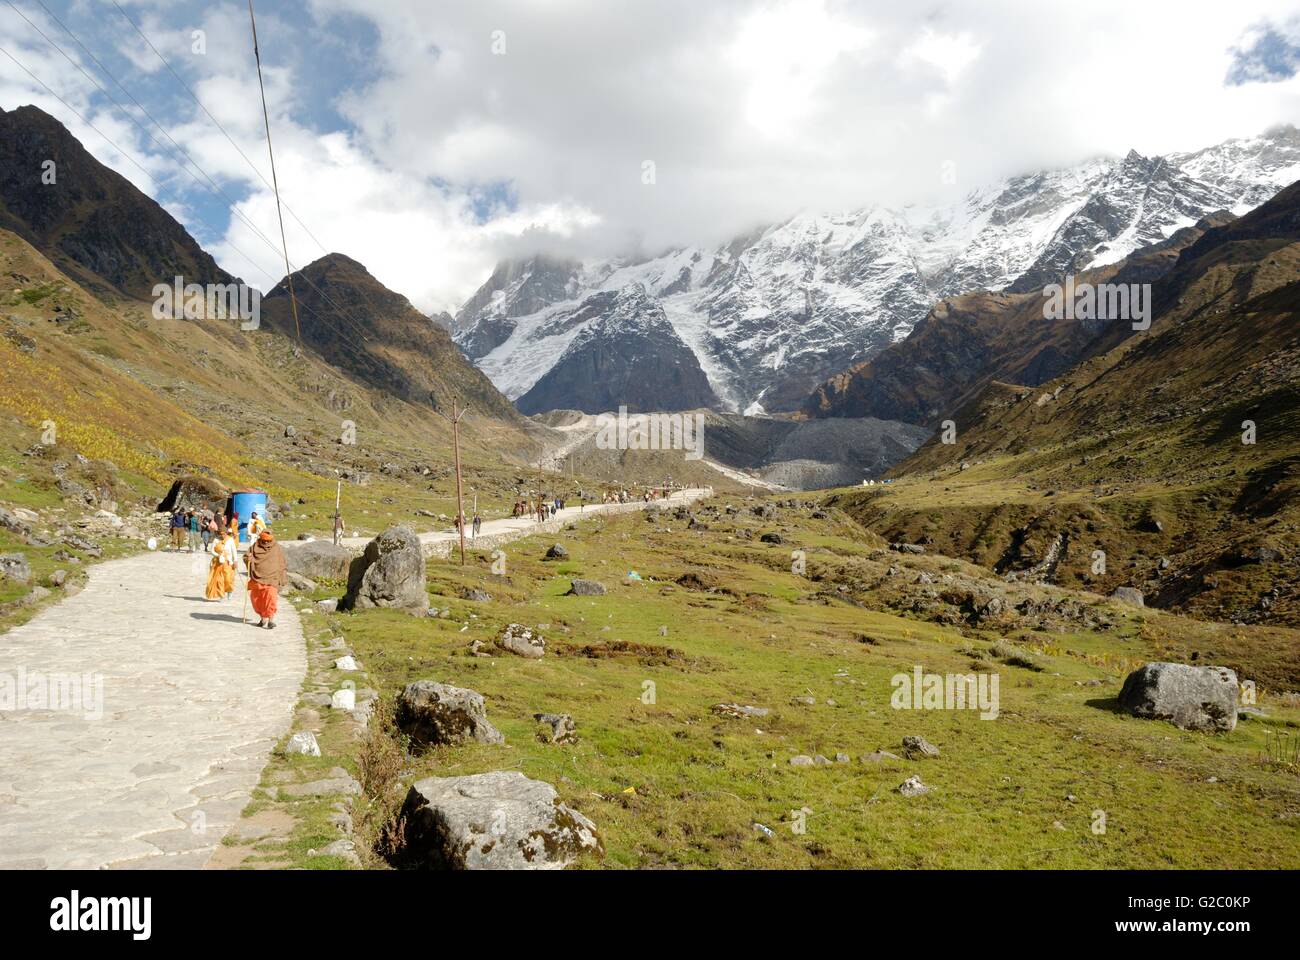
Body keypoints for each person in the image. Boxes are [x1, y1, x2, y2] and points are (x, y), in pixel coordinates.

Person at [244, 529, 287, 629]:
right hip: (257, 578)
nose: (266, 542)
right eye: (264, 540)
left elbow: (281, 563)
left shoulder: (276, 548)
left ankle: (271, 620)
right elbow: (246, 556)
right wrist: (248, 559)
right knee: (257, 600)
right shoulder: (255, 546)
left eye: (268, 540)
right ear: (261, 539)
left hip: (272, 578)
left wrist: (282, 577)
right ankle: (263, 618)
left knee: (271, 599)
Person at [206, 527, 238, 601]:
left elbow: (234, 551)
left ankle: (229, 592)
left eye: (224, 534)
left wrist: (235, 561)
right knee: (219, 580)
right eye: (221, 534)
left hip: (228, 563)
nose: (222, 535)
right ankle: (221, 595)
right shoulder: (216, 540)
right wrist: (218, 555)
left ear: (226, 533)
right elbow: (212, 551)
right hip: (218, 563)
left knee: (228, 579)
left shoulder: (230, 540)